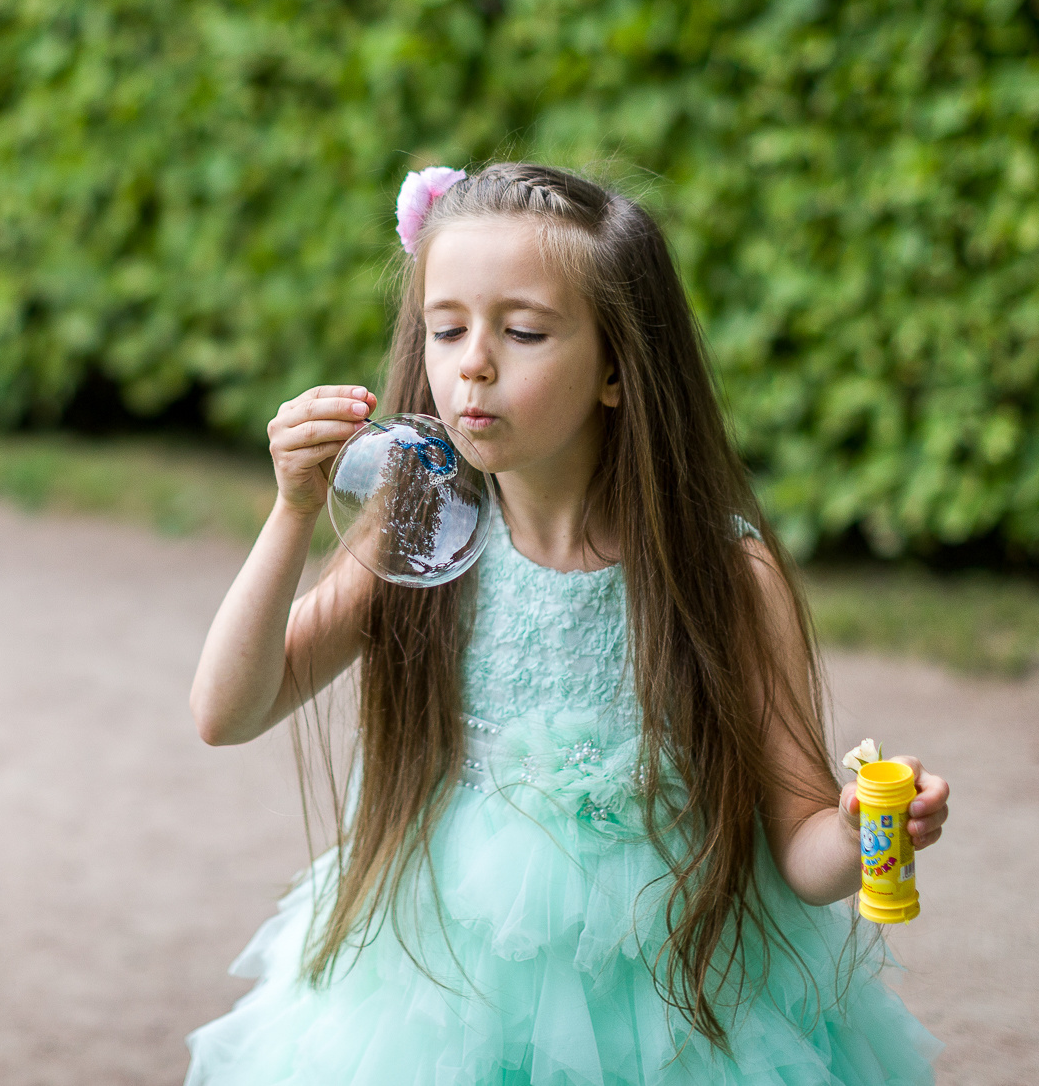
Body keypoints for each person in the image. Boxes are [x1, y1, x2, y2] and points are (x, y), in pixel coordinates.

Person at [185, 163, 948, 1084]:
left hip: (675, 1002)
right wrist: (293, 510)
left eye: (523, 331)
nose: (473, 362)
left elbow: (801, 848)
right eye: (446, 328)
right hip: (441, 994)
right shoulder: (417, 530)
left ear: (618, 369)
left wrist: (867, 830)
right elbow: (227, 709)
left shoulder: (721, 574)